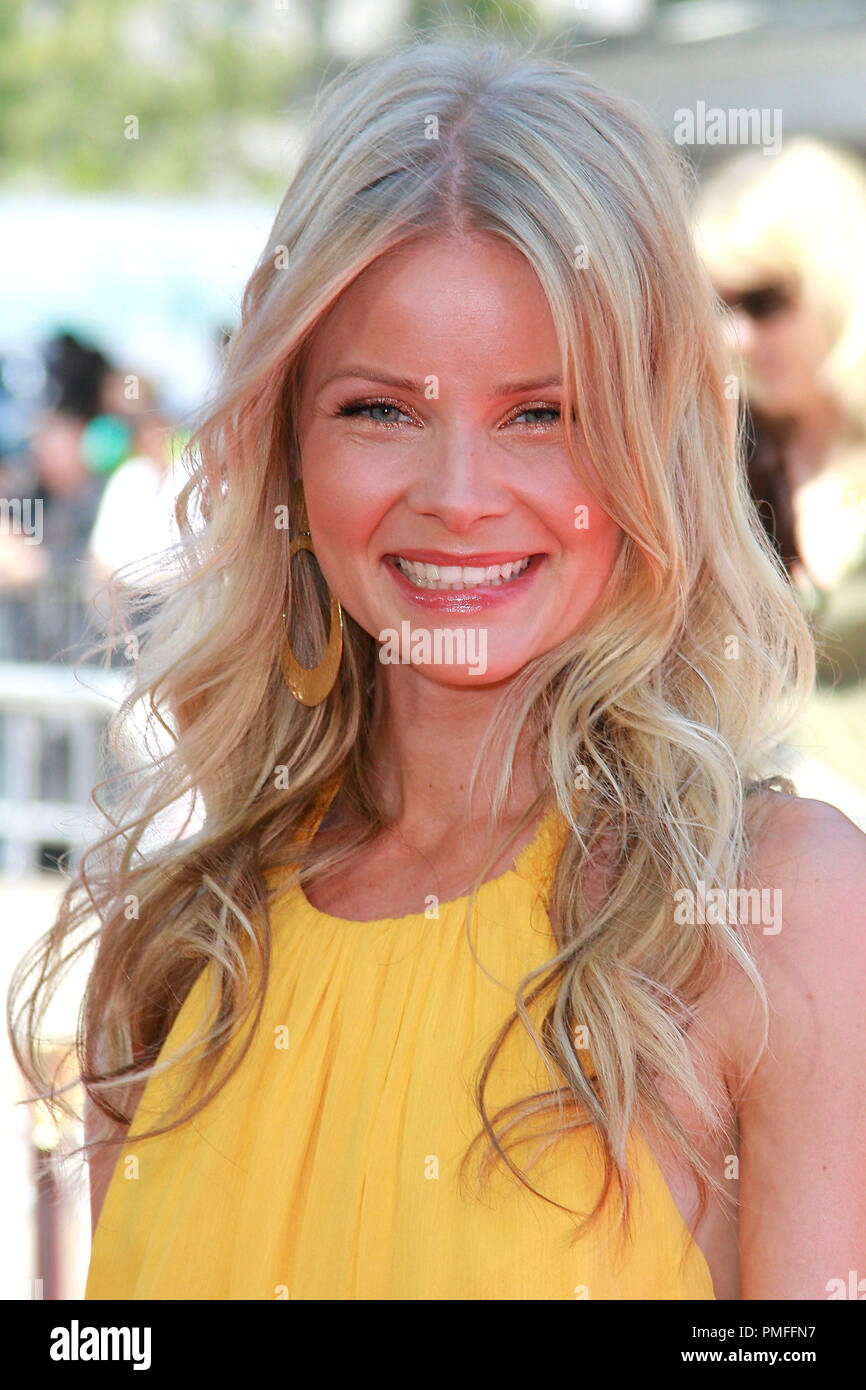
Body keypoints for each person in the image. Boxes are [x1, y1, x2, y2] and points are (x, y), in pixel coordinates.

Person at [8, 37, 866, 1302]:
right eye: (380, 410)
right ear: (286, 443)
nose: (458, 498)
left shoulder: (780, 917)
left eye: (542, 413)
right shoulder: (186, 937)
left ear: (652, 444)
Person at [695, 138, 866, 686]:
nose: (736, 337)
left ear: (839, 285)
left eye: (765, 300)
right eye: (719, 306)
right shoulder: (718, 456)